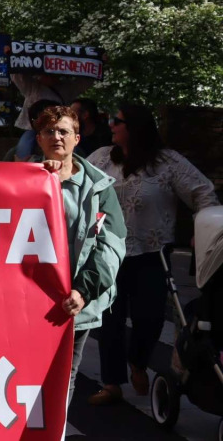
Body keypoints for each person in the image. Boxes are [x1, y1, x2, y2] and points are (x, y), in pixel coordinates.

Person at [87, 104, 219, 405]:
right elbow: (78, 187)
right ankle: (111, 383)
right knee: (110, 320)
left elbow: (203, 192)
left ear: (134, 127)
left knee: (150, 318)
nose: (111, 125)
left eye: (116, 121)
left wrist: (204, 228)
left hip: (152, 252)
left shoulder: (168, 163)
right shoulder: (102, 158)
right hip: (108, 251)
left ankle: (138, 360)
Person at [33, 104, 126, 408]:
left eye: (64, 131)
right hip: (25, 300)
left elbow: (110, 244)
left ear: (76, 138)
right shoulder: (16, 178)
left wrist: (84, 290)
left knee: (63, 377)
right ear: (39, 139)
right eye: (49, 131)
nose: (56, 136)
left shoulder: (99, 189)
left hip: (73, 301)